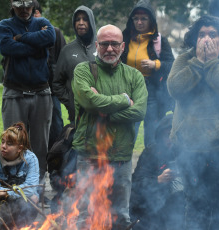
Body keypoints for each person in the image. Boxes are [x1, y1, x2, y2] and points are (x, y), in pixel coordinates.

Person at [167, 15, 219, 230]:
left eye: (213, 34)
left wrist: (211, 63)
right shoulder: (184, 61)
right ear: (194, 39)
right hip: (189, 146)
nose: (207, 40)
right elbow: (175, 88)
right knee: (195, 205)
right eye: (201, 34)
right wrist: (198, 63)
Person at [71, 24, 148, 229]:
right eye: (105, 44)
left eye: (115, 44)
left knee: (120, 215)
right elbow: (89, 102)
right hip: (90, 156)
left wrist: (105, 113)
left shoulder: (135, 76)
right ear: (97, 45)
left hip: (121, 157)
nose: (110, 49)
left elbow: (140, 111)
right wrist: (124, 100)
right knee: (86, 215)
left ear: (123, 47)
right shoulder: (83, 71)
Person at [0, 0, 55, 183]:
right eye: (20, 6)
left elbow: (51, 38)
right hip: (15, 92)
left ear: (33, 5)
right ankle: (14, 189)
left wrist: (21, 38)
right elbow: (6, 47)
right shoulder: (5, 25)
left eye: (28, 5)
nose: (24, 10)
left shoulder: (42, 22)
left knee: (40, 145)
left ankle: (38, 188)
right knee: (12, 144)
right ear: (12, 5)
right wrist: (38, 45)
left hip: (41, 92)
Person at [121, 0, 175, 147]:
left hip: (152, 93)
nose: (139, 22)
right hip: (129, 91)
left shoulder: (160, 41)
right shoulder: (124, 39)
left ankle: (151, 167)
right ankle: (123, 167)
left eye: (143, 19)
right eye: (136, 18)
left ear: (151, 20)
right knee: (128, 133)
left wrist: (155, 64)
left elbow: (172, 65)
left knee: (152, 136)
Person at [130, 114, 184, 230]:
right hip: (152, 207)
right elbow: (136, 183)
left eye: (173, 135)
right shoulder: (151, 153)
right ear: (160, 136)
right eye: (167, 135)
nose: (170, 140)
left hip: (178, 208)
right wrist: (158, 179)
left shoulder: (184, 153)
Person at [0, 122, 40, 230]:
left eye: (9, 144)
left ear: (20, 148)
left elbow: (31, 189)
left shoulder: (31, 159)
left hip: (24, 204)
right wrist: (21, 192)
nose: (3, 146)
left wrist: (4, 193)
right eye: (2, 142)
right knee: (3, 212)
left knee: (24, 209)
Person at [53, 5, 96, 123]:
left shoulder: (102, 47)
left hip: (102, 113)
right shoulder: (67, 50)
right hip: (77, 115)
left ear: (91, 22)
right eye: (77, 19)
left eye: (85, 19)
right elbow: (57, 83)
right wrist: (70, 102)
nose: (81, 23)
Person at [32, 0, 66, 150]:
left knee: (56, 123)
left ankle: (57, 156)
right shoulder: (21, 35)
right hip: (29, 88)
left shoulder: (55, 33)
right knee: (32, 125)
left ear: (39, 13)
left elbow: (64, 60)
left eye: (34, 12)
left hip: (51, 89)